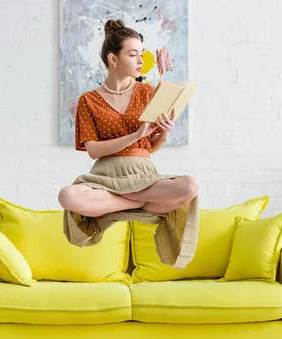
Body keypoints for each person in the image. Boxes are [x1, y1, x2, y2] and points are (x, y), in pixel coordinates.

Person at [58, 19, 200, 269]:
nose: (140, 61)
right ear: (113, 59)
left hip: (143, 173)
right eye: (133, 54)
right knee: (67, 195)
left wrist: (164, 133)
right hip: (105, 177)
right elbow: (93, 150)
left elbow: (150, 146)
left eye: (141, 54)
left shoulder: (148, 92)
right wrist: (136, 134)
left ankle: (119, 204)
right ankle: (138, 204)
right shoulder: (88, 100)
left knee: (190, 186)